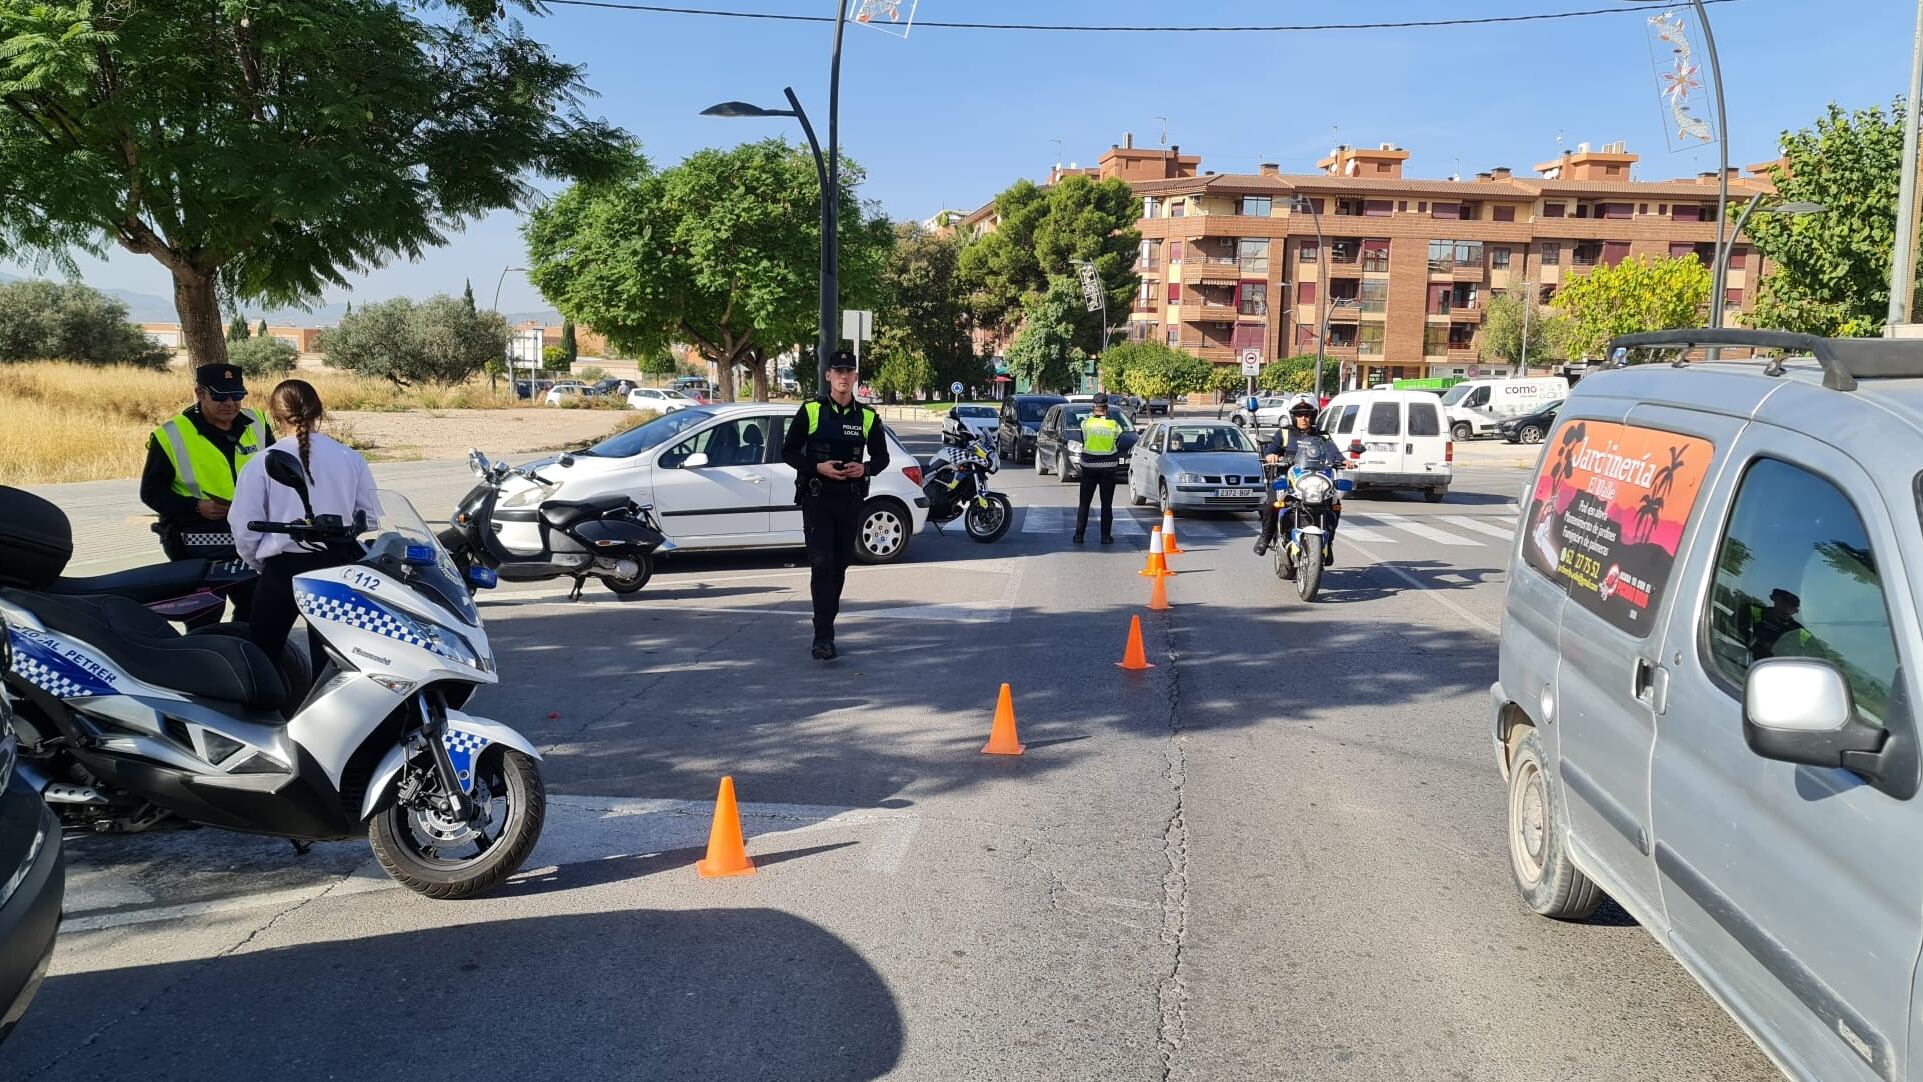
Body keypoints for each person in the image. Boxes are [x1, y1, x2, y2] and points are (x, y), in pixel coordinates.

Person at [228, 380, 381, 664]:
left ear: (275, 416)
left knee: (263, 659)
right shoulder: (350, 457)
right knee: (335, 664)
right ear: (319, 411)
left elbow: (243, 527)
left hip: (283, 570)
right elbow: (369, 517)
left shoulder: (260, 463)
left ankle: (268, 706)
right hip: (337, 567)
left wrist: (263, 562)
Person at [780, 350, 890, 661]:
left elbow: (882, 458)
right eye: (838, 371)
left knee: (839, 566)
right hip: (818, 498)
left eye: (849, 371)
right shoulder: (811, 410)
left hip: (850, 499)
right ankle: (823, 636)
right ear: (828, 375)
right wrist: (817, 467)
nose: (843, 376)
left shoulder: (867, 417)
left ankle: (826, 623)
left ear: (856, 377)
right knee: (821, 564)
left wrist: (864, 469)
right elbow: (789, 452)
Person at [141, 364, 274, 616]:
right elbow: (151, 493)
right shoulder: (172, 435)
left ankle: (242, 654)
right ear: (200, 393)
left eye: (237, 395)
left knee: (255, 613)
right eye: (220, 396)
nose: (230, 403)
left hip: (249, 541)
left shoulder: (257, 424)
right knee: (204, 618)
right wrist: (195, 507)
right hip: (196, 544)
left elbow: (274, 475)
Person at [1254, 399, 1347, 559]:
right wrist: (1271, 455)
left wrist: (1344, 460)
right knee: (1271, 504)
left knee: (1335, 505)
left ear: (1314, 416)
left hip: (1316, 480)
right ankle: (1265, 536)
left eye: (1308, 414)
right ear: (1293, 416)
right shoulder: (1284, 433)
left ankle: (1328, 542)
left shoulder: (1322, 435)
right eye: (1299, 414)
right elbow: (1271, 449)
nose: (1303, 418)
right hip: (1289, 479)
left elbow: (1334, 453)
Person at [1073, 392, 1127, 544]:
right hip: (1108, 468)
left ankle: (1079, 535)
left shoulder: (1086, 424)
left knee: (1084, 503)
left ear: (1093, 407)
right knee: (1106, 504)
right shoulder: (1114, 426)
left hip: (1088, 467)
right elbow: (1116, 443)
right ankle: (1105, 536)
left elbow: (1084, 441)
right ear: (1106, 408)